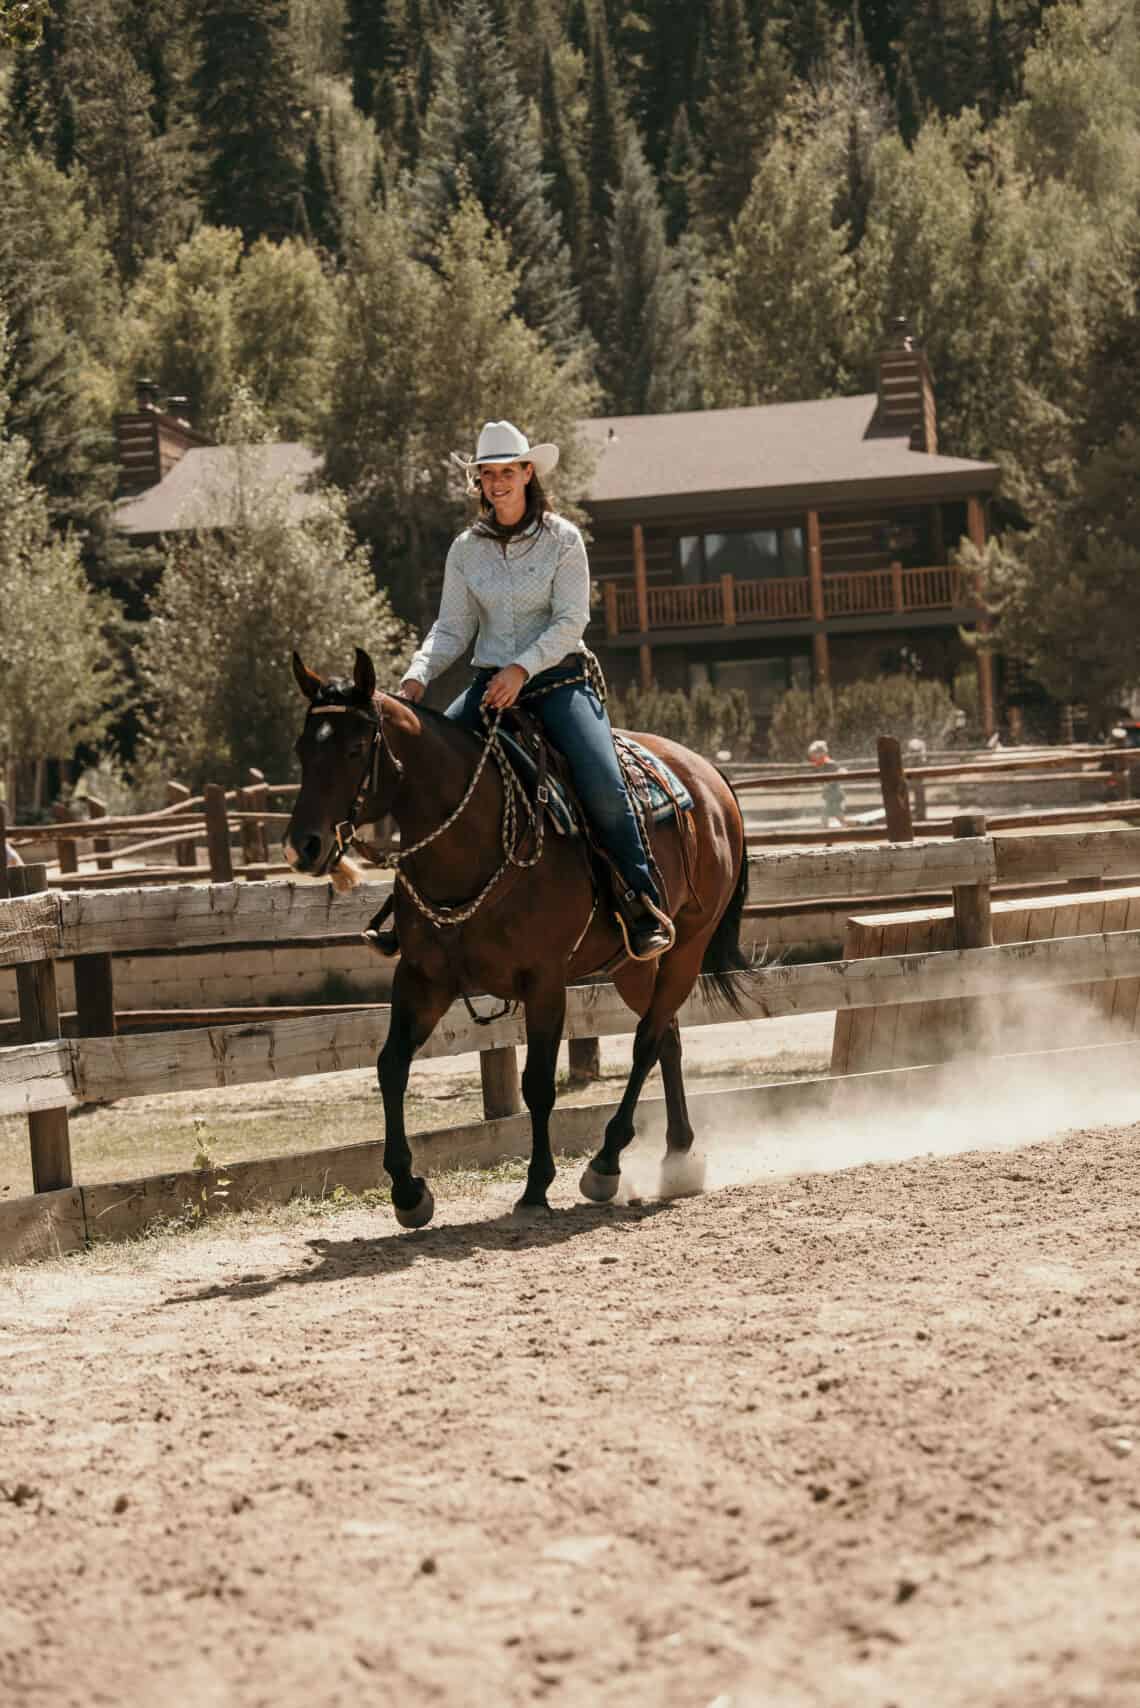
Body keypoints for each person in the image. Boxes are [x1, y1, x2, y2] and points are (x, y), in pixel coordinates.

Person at [392, 419, 673, 961]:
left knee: (604, 785)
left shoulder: (563, 539)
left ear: (528, 472)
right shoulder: (465, 549)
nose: (496, 483)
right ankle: (406, 908)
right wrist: (417, 674)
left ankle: (640, 900)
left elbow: (571, 621)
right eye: (487, 474)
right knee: (424, 770)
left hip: (559, 681)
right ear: (479, 481)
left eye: (507, 472)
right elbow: (452, 627)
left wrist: (521, 669)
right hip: (490, 684)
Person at [807, 737, 847, 826]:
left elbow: (841, 770)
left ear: (822, 753)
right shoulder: (820, 765)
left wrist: (831, 781)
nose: (813, 757)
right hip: (829, 795)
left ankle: (847, 829)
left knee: (834, 815)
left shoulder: (830, 763)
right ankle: (829, 832)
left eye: (815, 754)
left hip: (835, 794)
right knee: (830, 815)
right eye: (812, 755)